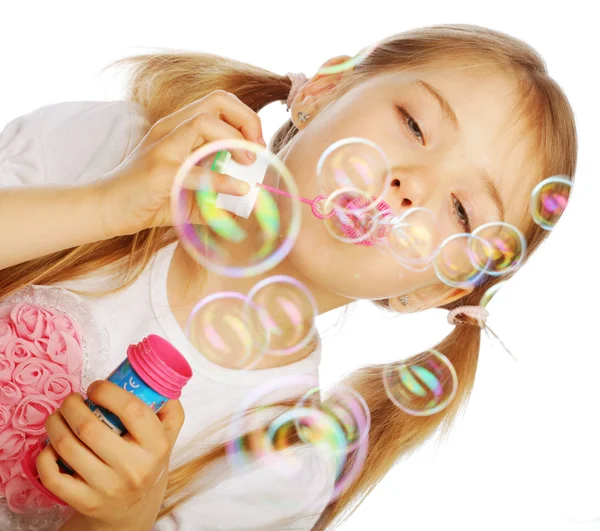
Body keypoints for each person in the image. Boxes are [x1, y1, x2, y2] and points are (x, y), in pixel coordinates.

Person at [0, 23, 577, 531]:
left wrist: (120, 519)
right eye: (414, 124)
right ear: (325, 90)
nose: (410, 183)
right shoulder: (116, 147)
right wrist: (105, 204)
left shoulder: (286, 462)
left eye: (461, 211)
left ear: (431, 290)